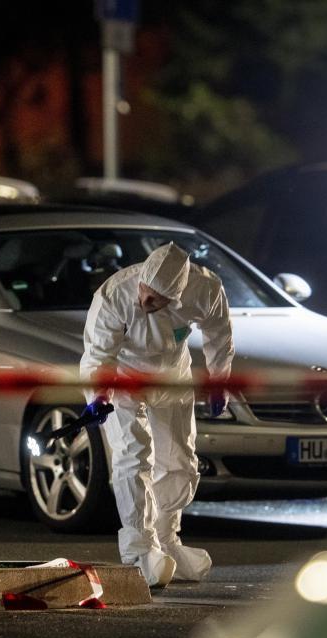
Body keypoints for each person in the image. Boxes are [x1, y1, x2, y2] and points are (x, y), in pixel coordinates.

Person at [80, 242, 234, 587]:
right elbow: (98, 353)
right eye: (144, 294)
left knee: (179, 460)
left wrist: (217, 382)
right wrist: (98, 394)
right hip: (122, 377)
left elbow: (219, 336)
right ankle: (140, 548)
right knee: (133, 457)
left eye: (155, 301)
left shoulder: (206, 290)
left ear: (176, 298)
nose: (144, 303)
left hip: (172, 376)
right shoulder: (115, 295)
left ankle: (166, 539)